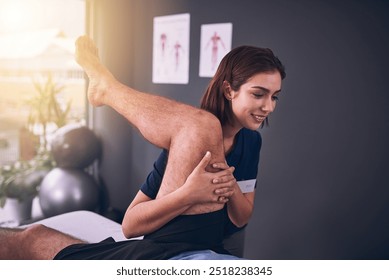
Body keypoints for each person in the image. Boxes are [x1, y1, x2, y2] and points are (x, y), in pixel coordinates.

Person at [0, 35, 285, 260]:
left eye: (274, 97)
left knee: (202, 125)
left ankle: (105, 88)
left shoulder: (251, 141)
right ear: (228, 90)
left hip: (206, 249)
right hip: (166, 249)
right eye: (259, 94)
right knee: (204, 125)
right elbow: (130, 225)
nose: (268, 107)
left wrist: (229, 182)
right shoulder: (185, 149)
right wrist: (188, 194)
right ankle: (105, 88)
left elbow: (242, 216)